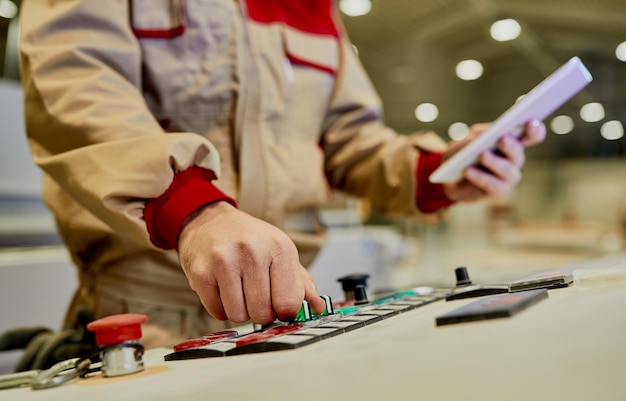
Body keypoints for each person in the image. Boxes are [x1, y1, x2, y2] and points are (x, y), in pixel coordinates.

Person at [18, 0, 545, 348]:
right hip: (149, 318)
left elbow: (349, 137)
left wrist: (436, 173)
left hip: (290, 313)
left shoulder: (311, 6)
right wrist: (193, 211)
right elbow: (78, 90)